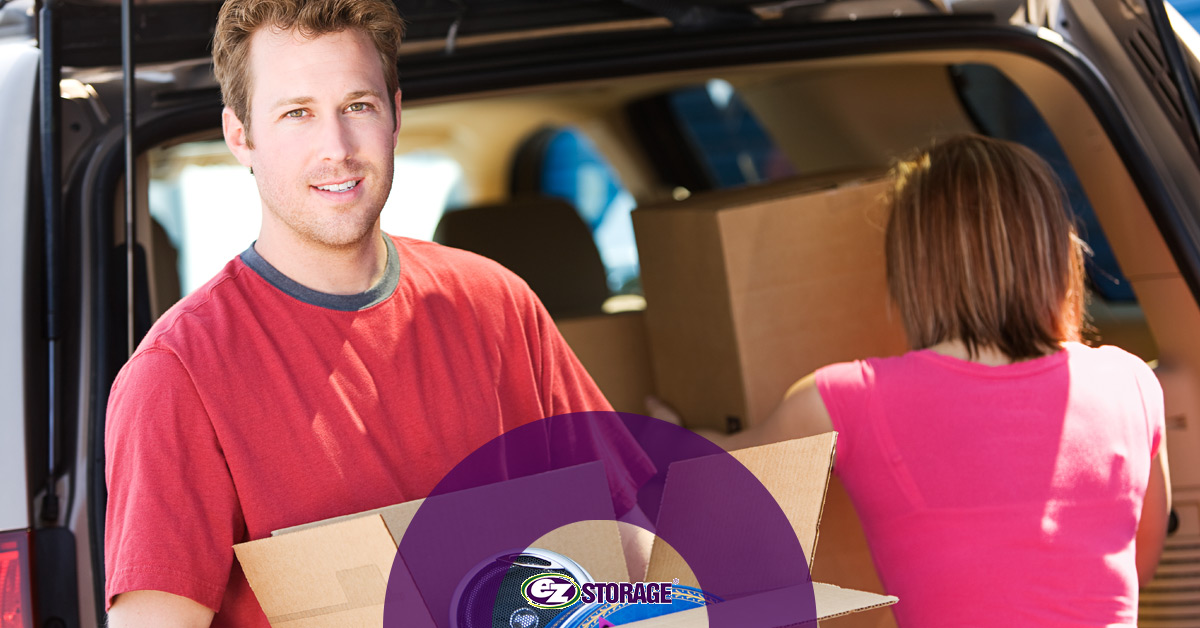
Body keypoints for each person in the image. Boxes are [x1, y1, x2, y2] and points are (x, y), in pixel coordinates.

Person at [103, 0, 652, 625]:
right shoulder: (177, 376)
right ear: (241, 136)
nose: (335, 148)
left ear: (395, 111)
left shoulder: (497, 304)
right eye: (297, 114)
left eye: (357, 106)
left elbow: (632, 542)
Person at [691, 135, 1172, 626]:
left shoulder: (846, 400)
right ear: (1055, 254)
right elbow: (1140, 559)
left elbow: (708, 476)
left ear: (914, 268)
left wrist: (668, 422)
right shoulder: (1131, 382)